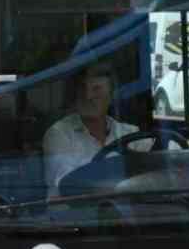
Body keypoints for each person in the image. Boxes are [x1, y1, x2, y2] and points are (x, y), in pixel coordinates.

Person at [42, 62, 150, 198]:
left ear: (111, 96)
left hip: (127, 210)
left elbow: (163, 164)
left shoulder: (130, 133)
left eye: (96, 89)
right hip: (75, 211)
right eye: (83, 89)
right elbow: (70, 185)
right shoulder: (59, 134)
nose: (88, 96)